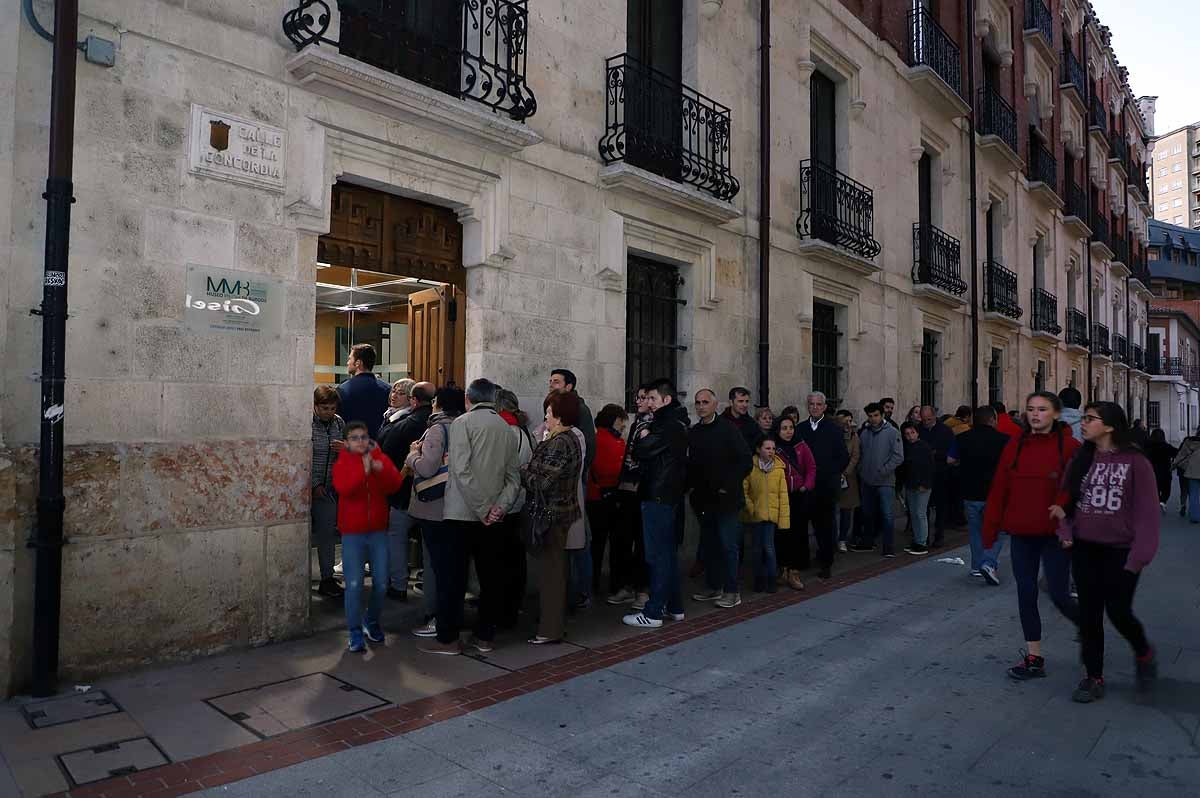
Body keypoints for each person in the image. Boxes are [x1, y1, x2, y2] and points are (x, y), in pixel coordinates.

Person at [1057, 401, 1159, 703]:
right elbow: (1066, 502)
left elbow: (1148, 514)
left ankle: (1143, 652)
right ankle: (1093, 676)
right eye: (1084, 418)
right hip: (1085, 549)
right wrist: (1064, 533)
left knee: (1118, 612)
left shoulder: (1136, 462)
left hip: (1121, 552)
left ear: (1111, 425)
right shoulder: (1081, 459)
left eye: (1090, 419)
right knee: (1090, 616)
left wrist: (1139, 557)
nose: (1084, 423)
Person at [983, 391, 1081, 681]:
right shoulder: (1015, 445)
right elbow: (1000, 486)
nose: (1035, 414)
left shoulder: (1071, 447)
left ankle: (1087, 626)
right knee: (1026, 593)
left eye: (1042, 409)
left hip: (1054, 535)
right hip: (1022, 533)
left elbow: (1076, 489)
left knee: (1060, 594)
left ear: (1056, 414)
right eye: (1031, 409)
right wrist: (990, 527)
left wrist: (1065, 517)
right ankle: (1034, 657)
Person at [420, 379, 521, 656]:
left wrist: (483, 508)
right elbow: (514, 478)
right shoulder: (507, 428)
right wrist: (498, 507)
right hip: (494, 517)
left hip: (462, 514)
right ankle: (485, 636)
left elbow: (461, 471)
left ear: (468, 398)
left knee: (452, 579)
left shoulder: (463, 423)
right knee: (491, 577)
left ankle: (448, 639)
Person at [331, 421, 404, 652]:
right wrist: (363, 470)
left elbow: (395, 485)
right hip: (353, 532)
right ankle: (354, 632)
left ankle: (370, 621)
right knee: (353, 584)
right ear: (347, 442)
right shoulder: (343, 462)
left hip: (377, 531)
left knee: (381, 582)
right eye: (354, 438)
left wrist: (380, 469)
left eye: (363, 437)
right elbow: (344, 489)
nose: (360, 442)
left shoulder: (378, 456)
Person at [623, 378, 689, 629]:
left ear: (666, 400)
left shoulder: (666, 423)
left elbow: (642, 450)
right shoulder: (673, 422)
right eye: (646, 398)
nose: (647, 403)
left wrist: (643, 434)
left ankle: (653, 612)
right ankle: (674, 606)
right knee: (666, 553)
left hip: (658, 495)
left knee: (658, 555)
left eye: (652, 398)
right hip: (665, 494)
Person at [521, 391, 585, 645]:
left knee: (552, 575)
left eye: (548, 412)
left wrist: (523, 472)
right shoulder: (565, 438)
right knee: (555, 572)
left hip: (553, 515)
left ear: (558, 416)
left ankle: (549, 629)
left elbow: (544, 482)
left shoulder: (560, 442)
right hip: (560, 513)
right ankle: (552, 626)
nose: (545, 417)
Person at [405, 387, 466, 638]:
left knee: (436, 567)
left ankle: (437, 619)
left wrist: (412, 457)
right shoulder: (464, 426)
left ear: (438, 404)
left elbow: (428, 468)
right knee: (453, 567)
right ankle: (452, 617)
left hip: (434, 506)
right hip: (459, 504)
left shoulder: (437, 429)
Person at [688, 389, 752, 608]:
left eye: (705, 402)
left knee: (728, 545)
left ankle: (732, 591)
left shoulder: (728, 429)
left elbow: (745, 461)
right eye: (697, 402)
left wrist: (727, 486)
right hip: (704, 500)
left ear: (715, 405)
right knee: (710, 545)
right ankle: (714, 587)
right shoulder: (694, 432)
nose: (701, 406)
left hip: (727, 500)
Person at [379, 381, 435, 601]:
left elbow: (385, 447)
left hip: (402, 489)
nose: (394, 395)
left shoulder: (404, 423)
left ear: (413, 400)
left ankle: (399, 584)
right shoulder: (432, 421)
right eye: (393, 390)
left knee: (396, 536)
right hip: (430, 492)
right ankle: (429, 588)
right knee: (427, 545)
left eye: (401, 393)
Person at [547, 369, 596, 610]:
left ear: (569, 386)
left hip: (573, 485)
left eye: (556, 381)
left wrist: (577, 476)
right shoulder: (556, 408)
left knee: (578, 538)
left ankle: (582, 590)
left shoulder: (579, 412)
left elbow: (588, 449)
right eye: (550, 381)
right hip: (561, 488)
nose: (551, 384)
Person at [948, 406, 1010, 582]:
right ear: (991, 420)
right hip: (995, 493)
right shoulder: (1004, 440)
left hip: (970, 492)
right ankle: (989, 562)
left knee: (975, 531)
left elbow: (950, 460)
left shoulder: (962, 438)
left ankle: (976, 566)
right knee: (998, 530)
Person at [797, 392, 850, 579]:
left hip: (825, 486)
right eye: (811, 404)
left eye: (819, 404)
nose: (815, 407)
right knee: (801, 525)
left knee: (824, 527)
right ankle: (802, 561)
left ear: (824, 407)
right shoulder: (800, 429)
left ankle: (826, 562)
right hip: (804, 487)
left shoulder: (833, 429)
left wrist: (827, 472)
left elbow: (843, 457)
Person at [494, 387, 534, 630]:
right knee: (515, 557)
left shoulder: (504, 431)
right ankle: (514, 604)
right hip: (518, 501)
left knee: (501, 559)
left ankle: (504, 609)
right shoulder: (524, 431)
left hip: (503, 502)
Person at [611, 384, 653, 609]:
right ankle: (627, 586)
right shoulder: (638, 422)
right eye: (638, 397)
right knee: (624, 542)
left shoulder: (653, 425)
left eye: (644, 397)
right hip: (627, 489)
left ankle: (643, 590)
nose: (639, 401)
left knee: (642, 543)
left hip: (642, 490)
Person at [588, 404, 629, 602]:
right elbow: (614, 471)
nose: (624, 425)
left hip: (594, 498)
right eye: (622, 420)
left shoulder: (595, 439)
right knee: (617, 544)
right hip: (611, 498)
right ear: (615, 420)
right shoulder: (614, 442)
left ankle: (592, 584)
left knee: (596, 544)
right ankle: (616, 585)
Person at [852, 403, 904, 556]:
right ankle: (868, 542)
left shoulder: (893, 433)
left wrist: (884, 470)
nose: (873, 419)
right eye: (870, 416)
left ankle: (888, 547)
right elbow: (859, 453)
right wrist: (861, 470)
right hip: (867, 480)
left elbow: (898, 456)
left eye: (876, 415)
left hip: (885, 482)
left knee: (887, 514)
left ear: (881, 415)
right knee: (867, 513)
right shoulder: (865, 433)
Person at [771, 416, 816, 588]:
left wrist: (806, 485)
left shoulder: (801, 445)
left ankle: (794, 572)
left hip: (798, 495)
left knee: (797, 533)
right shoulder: (773, 447)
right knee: (781, 534)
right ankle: (783, 569)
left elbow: (811, 467)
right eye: (784, 428)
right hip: (780, 496)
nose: (788, 431)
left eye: (791, 427)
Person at [741, 437, 791, 593]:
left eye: (773, 449)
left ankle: (771, 580)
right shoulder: (751, 466)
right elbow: (744, 490)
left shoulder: (778, 469)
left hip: (771, 515)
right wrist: (750, 507)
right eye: (767, 448)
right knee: (756, 548)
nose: (771, 452)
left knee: (769, 548)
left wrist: (783, 519)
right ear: (759, 449)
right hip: (756, 514)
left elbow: (783, 495)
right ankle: (759, 579)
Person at [311, 386, 345, 599]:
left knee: (327, 535)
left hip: (329, 489)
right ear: (315, 406)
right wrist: (314, 484)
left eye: (332, 408)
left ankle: (327, 578)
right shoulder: (306, 423)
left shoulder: (339, 423)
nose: (329, 412)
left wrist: (345, 448)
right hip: (307, 487)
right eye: (324, 408)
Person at [336, 343, 392, 439]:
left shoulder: (343, 389)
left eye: (350, 359)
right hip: (377, 446)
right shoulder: (387, 389)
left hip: (350, 445)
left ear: (358, 363)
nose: (347, 362)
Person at [918, 406, 956, 547]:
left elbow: (951, 452)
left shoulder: (945, 431)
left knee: (940, 505)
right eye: (924, 419)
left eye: (929, 419)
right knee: (924, 506)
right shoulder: (919, 429)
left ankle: (939, 535)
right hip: (923, 473)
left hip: (940, 472)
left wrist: (936, 454)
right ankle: (924, 536)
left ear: (934, 417)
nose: (926, 422)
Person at [900, 422, 934, 555]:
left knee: (920, 513)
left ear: (917, 433)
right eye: (907, 434)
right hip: (911, 484)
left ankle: (922, 542)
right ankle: (917, 540)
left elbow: (929, 467)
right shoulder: (908, 447)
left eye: (912, 433)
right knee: (914, 514)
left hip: (922, 486)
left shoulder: (924, 447)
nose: (910, 436)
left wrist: (924, 484)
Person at [834, 409, 861, 553]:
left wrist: (845, 473)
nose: (848, 424)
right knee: (832, 510)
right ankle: (831, 538)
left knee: (846, 510)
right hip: (833, 476)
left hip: (848, 478)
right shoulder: (832, 435)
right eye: (845, 421)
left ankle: (842, 539)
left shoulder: (854, 437)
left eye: (850, 421)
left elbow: (855, 456)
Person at [1170, 429, 1200, 524]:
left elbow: (1180, 456)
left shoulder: (1188, 442)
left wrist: (1173, 466)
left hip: (1192, 471)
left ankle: (1195, 516)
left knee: (1193, 493)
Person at [1144, 428, 1178, 508]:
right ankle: (1162, 501)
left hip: (1151, 472)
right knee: (1166, 489)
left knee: (1154, 489)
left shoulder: (1147, 447)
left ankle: (1157, 501)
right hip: (1165, 472)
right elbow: (1176, 453)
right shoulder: (1166, 446)